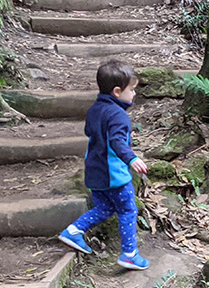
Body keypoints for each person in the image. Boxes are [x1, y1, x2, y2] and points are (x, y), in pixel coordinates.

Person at [58, 60, 150, 270]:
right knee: (128, 210)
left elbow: (90, 132)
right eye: (132, 90)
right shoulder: (119, 116)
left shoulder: (95, 109)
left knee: (105, 208)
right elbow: (117, 142)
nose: (134, 95)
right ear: (117, 92)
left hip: (94, 171)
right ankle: (129, 254)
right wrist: (132, 158)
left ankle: (74, 231)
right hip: (114, 175)